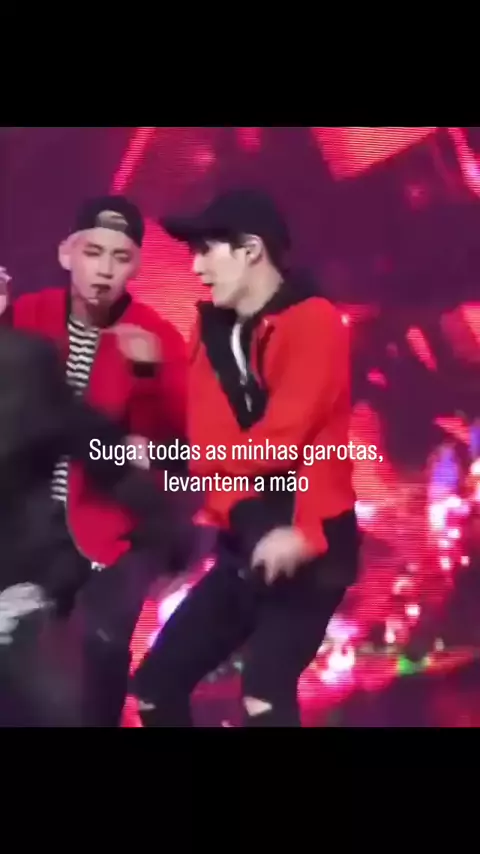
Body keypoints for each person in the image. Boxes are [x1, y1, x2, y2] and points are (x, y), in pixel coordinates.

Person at [133, 188, 361, 727]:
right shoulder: (211, 330)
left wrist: (302, 532)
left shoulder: (313, 322)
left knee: (264, 689)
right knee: (154, 688)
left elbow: (290, 441)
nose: (196, 267)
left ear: (251, 250)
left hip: (311, 542)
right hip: (245, 543)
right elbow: (211, 441)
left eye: (207, 251)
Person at [0, 195, 188, 725]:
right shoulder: (27, 319)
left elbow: (182, 443)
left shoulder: (157, 336)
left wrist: (149, 375)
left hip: (112, 532)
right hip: (29, 533)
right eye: (93, 252)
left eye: (120, 257)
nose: (105, 270)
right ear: (66, 254)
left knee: (101, 649)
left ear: (136, 267)